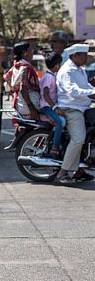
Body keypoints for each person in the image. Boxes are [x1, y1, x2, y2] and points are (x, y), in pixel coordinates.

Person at [55, 43, 95, 185]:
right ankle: (63, 172)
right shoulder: (67, 71)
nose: (85, 58)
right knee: (78, 138)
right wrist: (92, 93)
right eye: (83, 55)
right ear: (74, 56)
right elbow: (73, 90)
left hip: (83, 106)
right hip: (71, 108)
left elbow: (86, 87)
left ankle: (80, 168)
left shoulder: (80, 69)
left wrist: (93, 90)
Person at [39, 53, 65, 158]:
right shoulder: (49, 77)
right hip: (46, 106)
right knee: (59, 122)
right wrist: (55, 107)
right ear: (57, 65)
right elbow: (46, 94)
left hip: (49, 106)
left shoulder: (50, 75)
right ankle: (55, 147)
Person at [10, 41, 41, 120]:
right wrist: (32, 109)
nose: (32, 52)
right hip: (28, 106)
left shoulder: (16, 65)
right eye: (30, 50)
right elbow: (23, 88)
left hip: (20, 104)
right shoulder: (25, 68)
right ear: (24, 53)